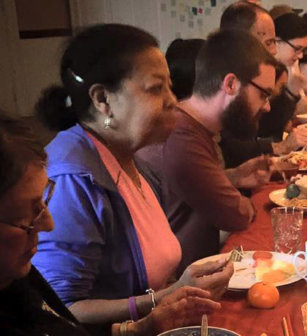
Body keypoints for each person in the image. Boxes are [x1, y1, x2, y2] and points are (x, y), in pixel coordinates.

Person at [32, 24, 233, 333]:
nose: (172, 100)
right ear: (102, 100)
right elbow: (61, 308)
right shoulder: (73, 179)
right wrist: (164, 298)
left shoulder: (129, 157)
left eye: (170, 86)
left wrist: (182, 289)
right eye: (156, 89)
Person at [0, 115, 221, 336]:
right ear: (103, 99)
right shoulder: (77, 176)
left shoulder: (16, 278)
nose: (48, 224)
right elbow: (71, 304)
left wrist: (139, 329)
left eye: (43, 201)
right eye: (26, 215)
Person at [138, 29, 276, 274]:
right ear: (231, 84)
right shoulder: (182, 138)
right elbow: (236, 215)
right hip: (178, 288)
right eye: (263, 94)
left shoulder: (193, 127)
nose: (267, 107)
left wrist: (232, 177)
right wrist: (241, 199)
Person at [219, 3, 307, 166]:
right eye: (269, 42)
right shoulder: (225, 79)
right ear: (242, 40)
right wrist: (278, 146)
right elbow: (229, 147)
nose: (274, 50)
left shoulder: (249, 73)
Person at [255, 13, 307, 143]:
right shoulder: (262, 72)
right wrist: (290, 94)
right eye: (297, 49)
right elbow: (264, 128)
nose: (300, 56)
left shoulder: (284, 68)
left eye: (303, 51)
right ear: (277, 41)